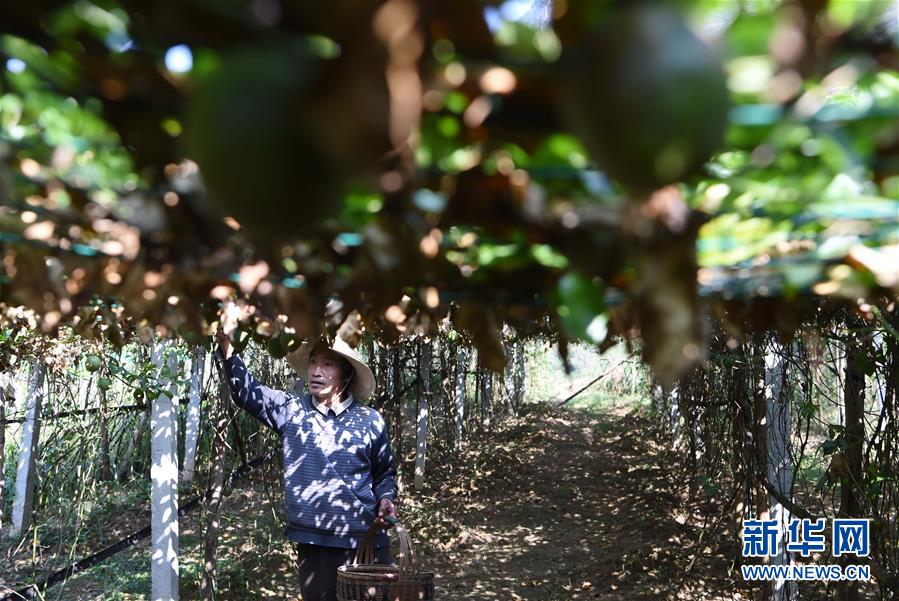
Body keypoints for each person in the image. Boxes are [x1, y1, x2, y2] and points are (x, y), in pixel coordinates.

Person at [216, 331, 398, 601]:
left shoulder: (370, 420)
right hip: (315, 544)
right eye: (313, 362)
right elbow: (246, 392)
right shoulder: (292, 411)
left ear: (346, 374)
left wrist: (386, 497)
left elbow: (384, 473)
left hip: (366, 540)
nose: (316, 371)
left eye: (327, 364)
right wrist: (228, 350)